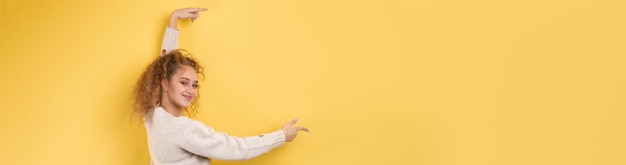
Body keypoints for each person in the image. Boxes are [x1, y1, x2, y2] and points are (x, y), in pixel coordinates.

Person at [133, 8, 310, 165]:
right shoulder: (184, 130)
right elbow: (238, 149)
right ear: (165, 83)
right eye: (184, 83)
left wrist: (174, 20)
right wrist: (281, 136)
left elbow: (165, 67)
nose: (191, 90)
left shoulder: (154, 115)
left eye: (194, 85)